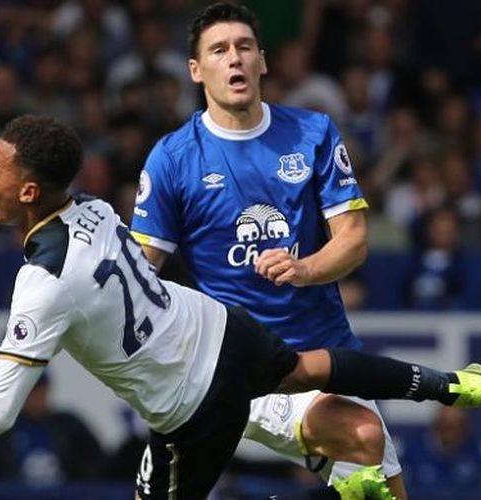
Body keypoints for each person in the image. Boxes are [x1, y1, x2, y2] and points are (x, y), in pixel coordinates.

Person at [0, 115, 481, 500]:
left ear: (29, 192)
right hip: (224, 329)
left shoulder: (44, 281)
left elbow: (4, 409)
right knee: (308, 369)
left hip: (195, 405)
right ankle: (451, 385)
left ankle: (341, 497)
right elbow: (14, 364)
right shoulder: (90, 209)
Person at [128, 3, 410, 497]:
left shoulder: (314, 133)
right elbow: (139, 275)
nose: (233, 59)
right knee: (362, 436)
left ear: (263, 60)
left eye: (244, 47)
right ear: (196, 70)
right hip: (245, 367)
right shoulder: (172, 158)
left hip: (329, 357)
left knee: (383, 478)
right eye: (218, 50)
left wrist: (304, 268)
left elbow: (353, 239)